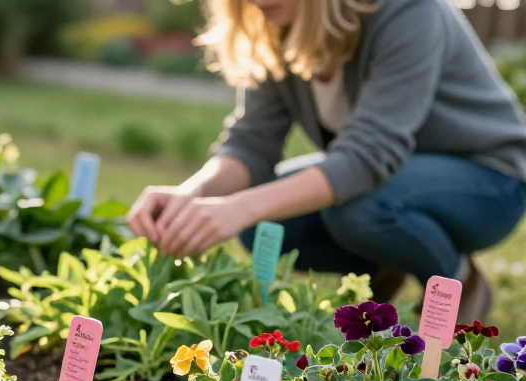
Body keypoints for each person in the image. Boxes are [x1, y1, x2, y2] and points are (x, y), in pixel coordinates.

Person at [127, 0, 526, 321]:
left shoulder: (407, 11)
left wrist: (237, 207)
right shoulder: (278, 23)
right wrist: (190, 194)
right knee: (265, 224)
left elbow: (366, 157)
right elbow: (251, 144)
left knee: (357, 208)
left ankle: (460, 281)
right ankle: (387, 263)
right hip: (390, 179)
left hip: (490, 179)